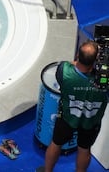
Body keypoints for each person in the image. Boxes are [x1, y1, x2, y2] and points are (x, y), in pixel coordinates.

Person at [36, 40, 108, 172]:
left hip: (67, 118)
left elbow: (70, 65)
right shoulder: (105, 81)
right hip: (91, 123)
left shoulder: (64, 72)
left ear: (77, 55)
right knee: (84, 149)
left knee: (56, 143)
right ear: (95, 61)